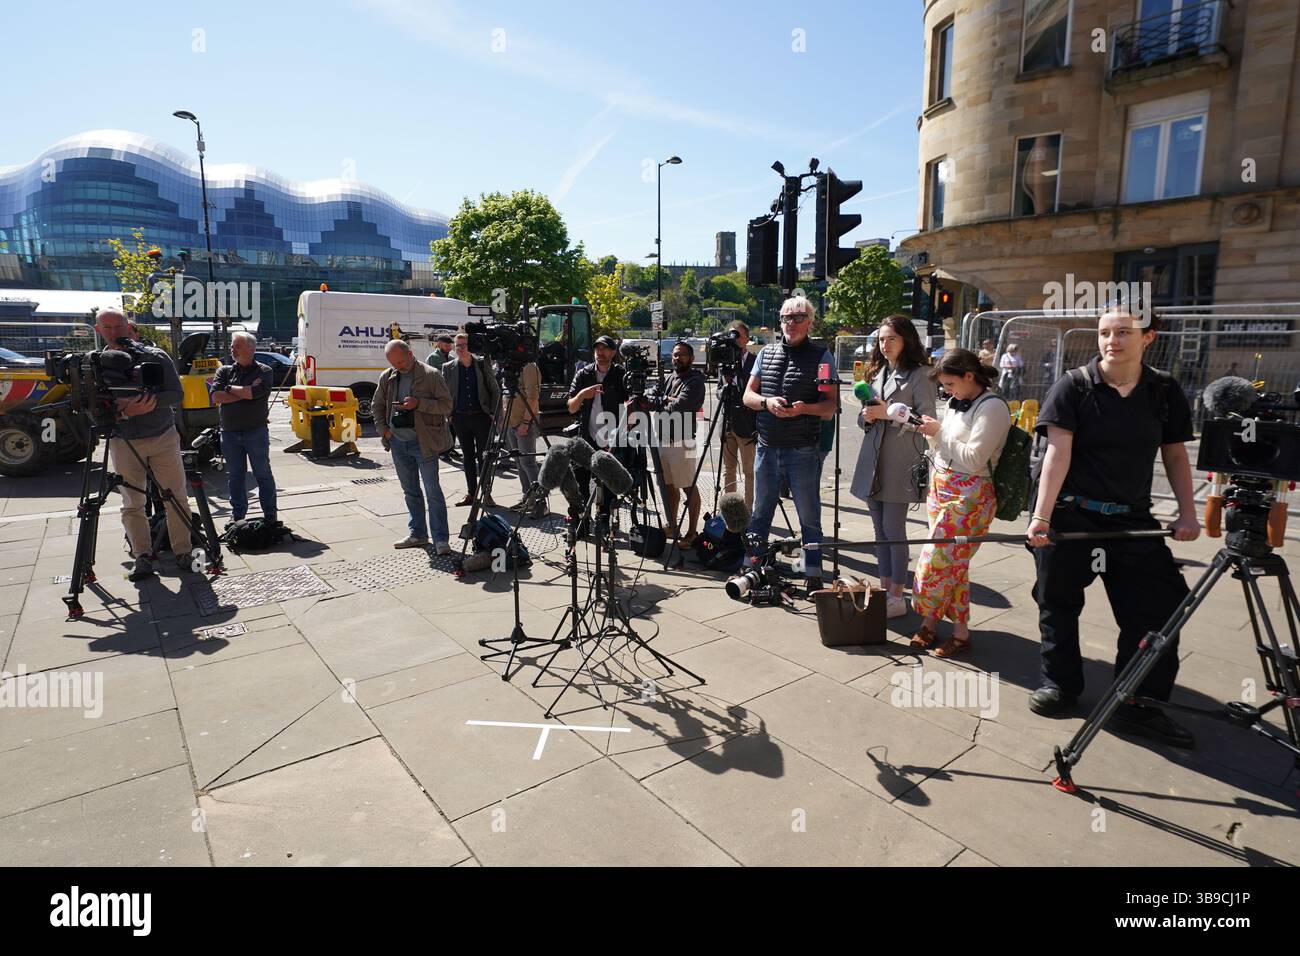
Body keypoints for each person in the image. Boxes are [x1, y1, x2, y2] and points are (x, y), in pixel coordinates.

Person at [1027, 308, 1200, 748]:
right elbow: (1057, 455)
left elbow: (1175, 455)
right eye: (1105, 332)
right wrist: (1041, 517)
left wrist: (1187, 513)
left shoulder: (1163, 390)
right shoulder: (1074, 386)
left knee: (1158, 609)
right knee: (1057, 603)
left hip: (1131, 520)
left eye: (1124, 332)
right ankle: (1060, 685)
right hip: (1070, 515)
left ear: (1148, 338)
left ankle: (1138, 702)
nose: (1112, 341)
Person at [910, 349, 1010, 656]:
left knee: (936, 562)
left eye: (950, 384)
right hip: (942, 485)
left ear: (969, 376)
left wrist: (939, 432)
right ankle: (952, 630)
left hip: (971, 494)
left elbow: (974, 458)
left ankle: (927, 613)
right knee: (955, 565)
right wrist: (930, 433)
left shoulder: (992, 407)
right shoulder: (956, 403)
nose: (947, 391)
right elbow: (945, 449)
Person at [742, 296, 838, 598]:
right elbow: (748, 396)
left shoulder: (822, 357)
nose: (791, 323)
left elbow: (830, 406)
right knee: (760, 513)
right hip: (767, 447)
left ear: (810, 321)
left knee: (809, 516)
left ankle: (812, 574)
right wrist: (767, 403)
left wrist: (802, 409)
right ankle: (752, 567)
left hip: (802, 450)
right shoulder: (765, 353)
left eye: (798, 317)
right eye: (786, 317)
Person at [92, 308, 193, 580]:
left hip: (161, 435)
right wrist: (124, 412)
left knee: (176, 497)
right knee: (132, 503)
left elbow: (176, 393)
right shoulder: (95, 364)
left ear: (129, 326)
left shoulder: (155, 356)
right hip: (124, 441)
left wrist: (145, 405)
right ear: (98, 330)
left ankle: (184, 551)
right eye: (108, 327)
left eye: (119, 326)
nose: (115, 332)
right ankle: (142, 556)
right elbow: (90, 408)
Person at [850, 314, 936, 618]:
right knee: (878, 531)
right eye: (881, 339)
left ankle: (898, 595)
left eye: (891, 339)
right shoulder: (877, 372)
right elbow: (864, 417)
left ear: (907, 340)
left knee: (893, 530)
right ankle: (885, 589)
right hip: (872, 460)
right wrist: (867, 417)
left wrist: (890, 415)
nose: (884, 345)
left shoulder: (920, 375)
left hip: (901, 462)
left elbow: (927, 423)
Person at [374, 340, 455, 553]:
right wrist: (384, 431)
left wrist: (419, 403)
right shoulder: (388, 376)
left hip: (424, 442)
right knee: (410, 491)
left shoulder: (431, 375)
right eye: (394, 363)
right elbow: (377, 406)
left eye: (401, 362)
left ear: (410, 354)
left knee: (432, 491)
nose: (398, 367)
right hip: (398, 442)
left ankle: (441, 539)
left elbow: (447, 405)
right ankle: (417, 534)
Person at [209, 331, 278, 529]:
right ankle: (237, 515)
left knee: (262, 473)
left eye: (236, 346)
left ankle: (270, 515)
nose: (232, 349)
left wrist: (229, 389)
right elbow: (216, 397)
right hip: (229, 432)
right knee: (235, 476)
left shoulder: (264, 371)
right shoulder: (224, 371)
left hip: (255, 431)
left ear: (251, 349)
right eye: (232, 346)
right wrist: (243, 391)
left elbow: (255, 393)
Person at [566, 334, 630, 532]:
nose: (599, 353)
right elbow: (571, 407)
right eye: (597, 349)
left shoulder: (621, 374)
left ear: (612, 352)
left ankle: (604, 520)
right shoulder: (584, 374)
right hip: (586, 437)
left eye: (604, 349)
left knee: (609, 482)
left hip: (610, 438)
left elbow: (630, 407)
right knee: (580, 480)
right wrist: (583, 395)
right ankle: (582, 520)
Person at [442, 331, 501, 507]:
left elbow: (494, 389)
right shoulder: (448, 367)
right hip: (460, 418)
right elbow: (445, 393)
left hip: (481, 417)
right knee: (467, 457)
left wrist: (493, 413)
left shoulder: (482, 364)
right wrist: (449, 415)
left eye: (464, 345)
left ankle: (487, 494)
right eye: (457, 345)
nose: (460, 348)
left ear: (471, 346)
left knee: (484, 457)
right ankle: (471, 494)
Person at [656, 341, 706, 546]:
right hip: (662, 439)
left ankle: (692, 532)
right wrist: (665, 399)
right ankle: (672, 524)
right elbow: (652, 398)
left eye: (682, 355)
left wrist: (663, 400)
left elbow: (681, 405)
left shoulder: (696, 381)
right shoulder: (668, 378)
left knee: (688, 486)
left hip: (683, 440)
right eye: (675, 355)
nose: (678, 358)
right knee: (668, 487)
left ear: (692, 358)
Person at [721, 320, 759, 510]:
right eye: (730, 336)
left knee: (749, 471)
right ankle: (731, 509)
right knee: (729, 469)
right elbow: (721, 391)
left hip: (747, 424)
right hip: (728, 422)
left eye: (736, 335)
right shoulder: (724, 363)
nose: (733, 340)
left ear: (746, 339)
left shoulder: (754, 361)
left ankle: (749, 509)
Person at [504, 358, 547, 519]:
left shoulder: (529, 366)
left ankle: (540, 503)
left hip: (524, 423)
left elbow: (533, 397)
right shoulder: (511, 364)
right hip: (512, 422)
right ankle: (527, 497)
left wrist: (525, 422)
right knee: (519, 462)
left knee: (528, 462)